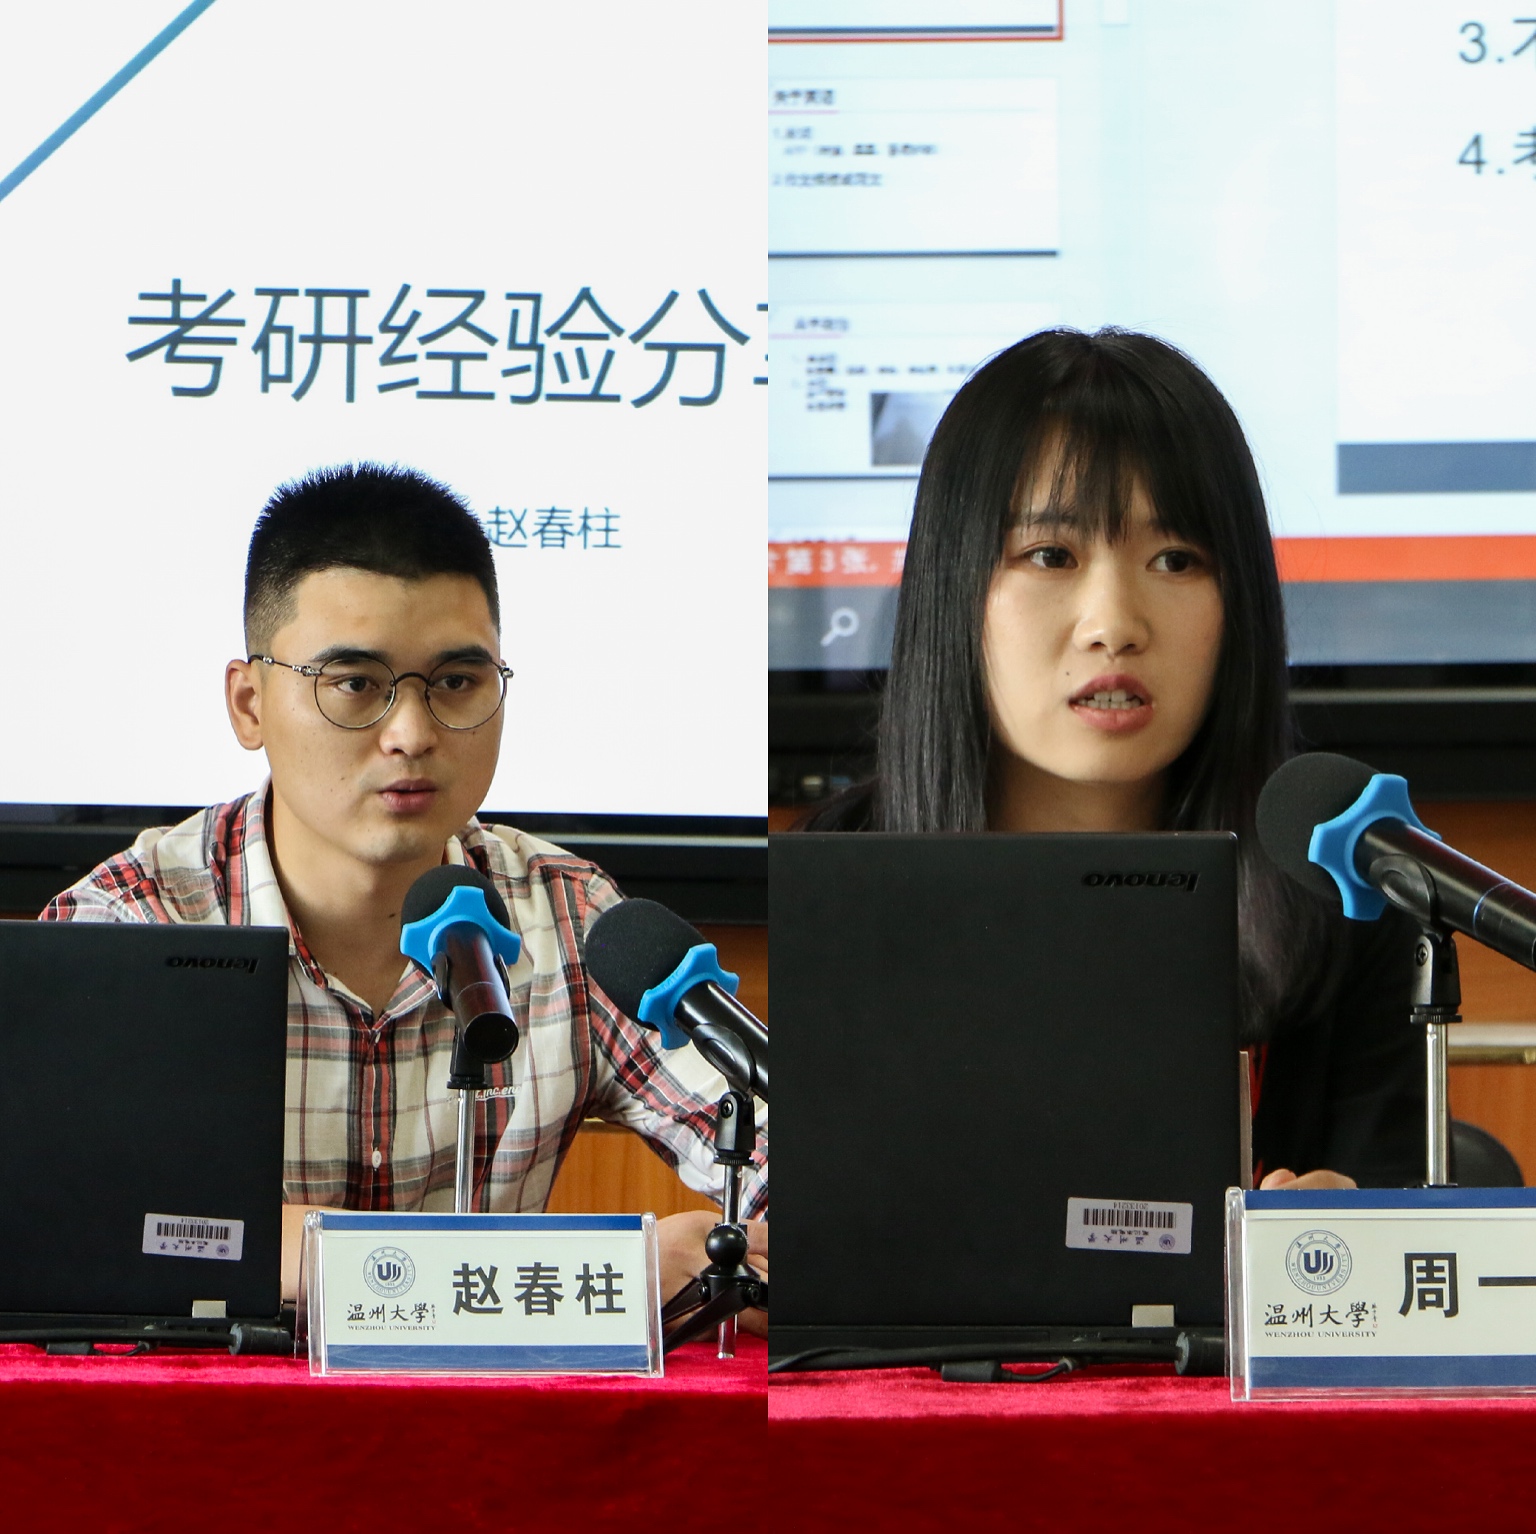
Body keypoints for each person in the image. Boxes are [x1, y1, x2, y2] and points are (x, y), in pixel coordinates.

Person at [42, 462, 767, 1311]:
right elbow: (81, 1219)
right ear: (248, 703)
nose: (413, 734)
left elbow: (796, 1165)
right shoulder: (130, 924)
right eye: (356, 684)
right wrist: (605, 1270)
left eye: (457, 682)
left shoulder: (569, 918)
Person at [804, 327, 1423, 1189]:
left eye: (1175, 559)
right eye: (1050, 555)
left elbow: (1394, 1231)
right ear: (955, 588)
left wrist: (1346, 1236)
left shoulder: (1340, 893)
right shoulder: (848, 870)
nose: (1114, 625)